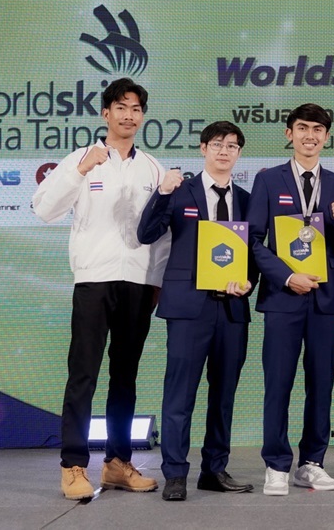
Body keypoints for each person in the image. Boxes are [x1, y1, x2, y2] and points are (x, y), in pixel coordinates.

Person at [32, 77, 170, 501]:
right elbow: (44, 209)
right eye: (121, 108)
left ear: (142, 116)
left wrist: (157, 281)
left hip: (138, 284)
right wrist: (79, 170)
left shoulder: (153, 168)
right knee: (84, 375)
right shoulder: (82, 158)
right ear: (106, 113)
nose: (129, 115)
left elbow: (161, 231)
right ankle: (73, 466)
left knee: (125, 378)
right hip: (94, 280)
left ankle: (117, 463)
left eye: (136, 109)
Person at [136, 121, 257, 501]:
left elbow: (255, 251)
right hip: (188, 308)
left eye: (232, 146)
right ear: (203, 148)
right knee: (180, 394)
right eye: (217, 144)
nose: (224, 151)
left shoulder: (248, 199)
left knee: (224, 396)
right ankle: (175, 473)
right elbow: (146, 233)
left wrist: (249, 281)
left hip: (232, 309)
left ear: (239, 153)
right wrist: (161, 193)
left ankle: (214, 469)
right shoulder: (180, 191)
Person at [246, 103, 334, 496]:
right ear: (289, 133)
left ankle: (312, 463)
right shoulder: (268, 180)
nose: (311, 135)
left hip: (326, 299)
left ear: (327, 137)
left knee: (321, 384)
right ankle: (276, 464)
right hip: (282, 297)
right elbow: (253, 240)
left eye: (318, 129)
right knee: (278, 383)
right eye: (303, 128)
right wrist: (287, 276)